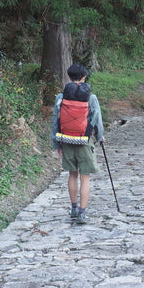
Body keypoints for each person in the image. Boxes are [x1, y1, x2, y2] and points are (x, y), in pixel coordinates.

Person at [51, 63, 104, 224]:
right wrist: (100, 137)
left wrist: (56, 143)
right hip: (84, 141)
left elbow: (56, 121)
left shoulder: (61, 97)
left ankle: (73, 208)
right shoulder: (91, 98)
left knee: (72, 174)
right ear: (84, 77)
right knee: (85, 177)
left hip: (66, 140)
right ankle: (82, 212)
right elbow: (97, 120)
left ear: (69, 76)